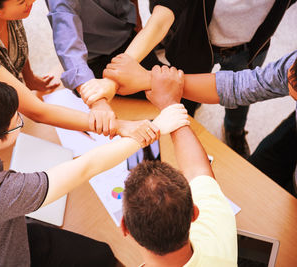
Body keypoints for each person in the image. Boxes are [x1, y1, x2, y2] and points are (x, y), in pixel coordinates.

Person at [0, 76, 190, 266]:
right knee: (102, 256)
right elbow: (86, 166)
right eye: (17, 123)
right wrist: (153, 128)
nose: (22, 120)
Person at [0, 0, 156, 190]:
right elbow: (37, 111)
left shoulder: (11, 8)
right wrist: (114, 125)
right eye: (22, 1)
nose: (31, 2)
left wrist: (31, 80)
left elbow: (15, 48)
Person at [82, 0, 296, 158]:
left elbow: (245, 88)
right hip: (196, 43)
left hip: (250, 48)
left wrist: (144, 79)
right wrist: (117, 77)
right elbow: (160, 20)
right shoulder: (284, 73)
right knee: (185, 103)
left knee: (240, 103)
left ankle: (234, 131)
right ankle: (188, 122)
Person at [103, 51, 297, 195]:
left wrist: (170, 105)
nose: (286, 82)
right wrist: (149, 79)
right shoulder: (293, 67)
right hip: (291, 135)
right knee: (253, 180)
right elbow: (243, 85)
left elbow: (200, 177)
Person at [120, 66, 237, 266]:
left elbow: (197, 171)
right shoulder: (217, 230)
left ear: (125, 228)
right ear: (194, 213)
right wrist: (169, 105)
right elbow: (198, 170)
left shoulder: (213, 223)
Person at [46, 0, 164, 134]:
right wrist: (97, 100)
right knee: (160, 93)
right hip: (98, 56)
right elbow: (67, 44)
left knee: (165, 88)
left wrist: (137, 22)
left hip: (129, 34)